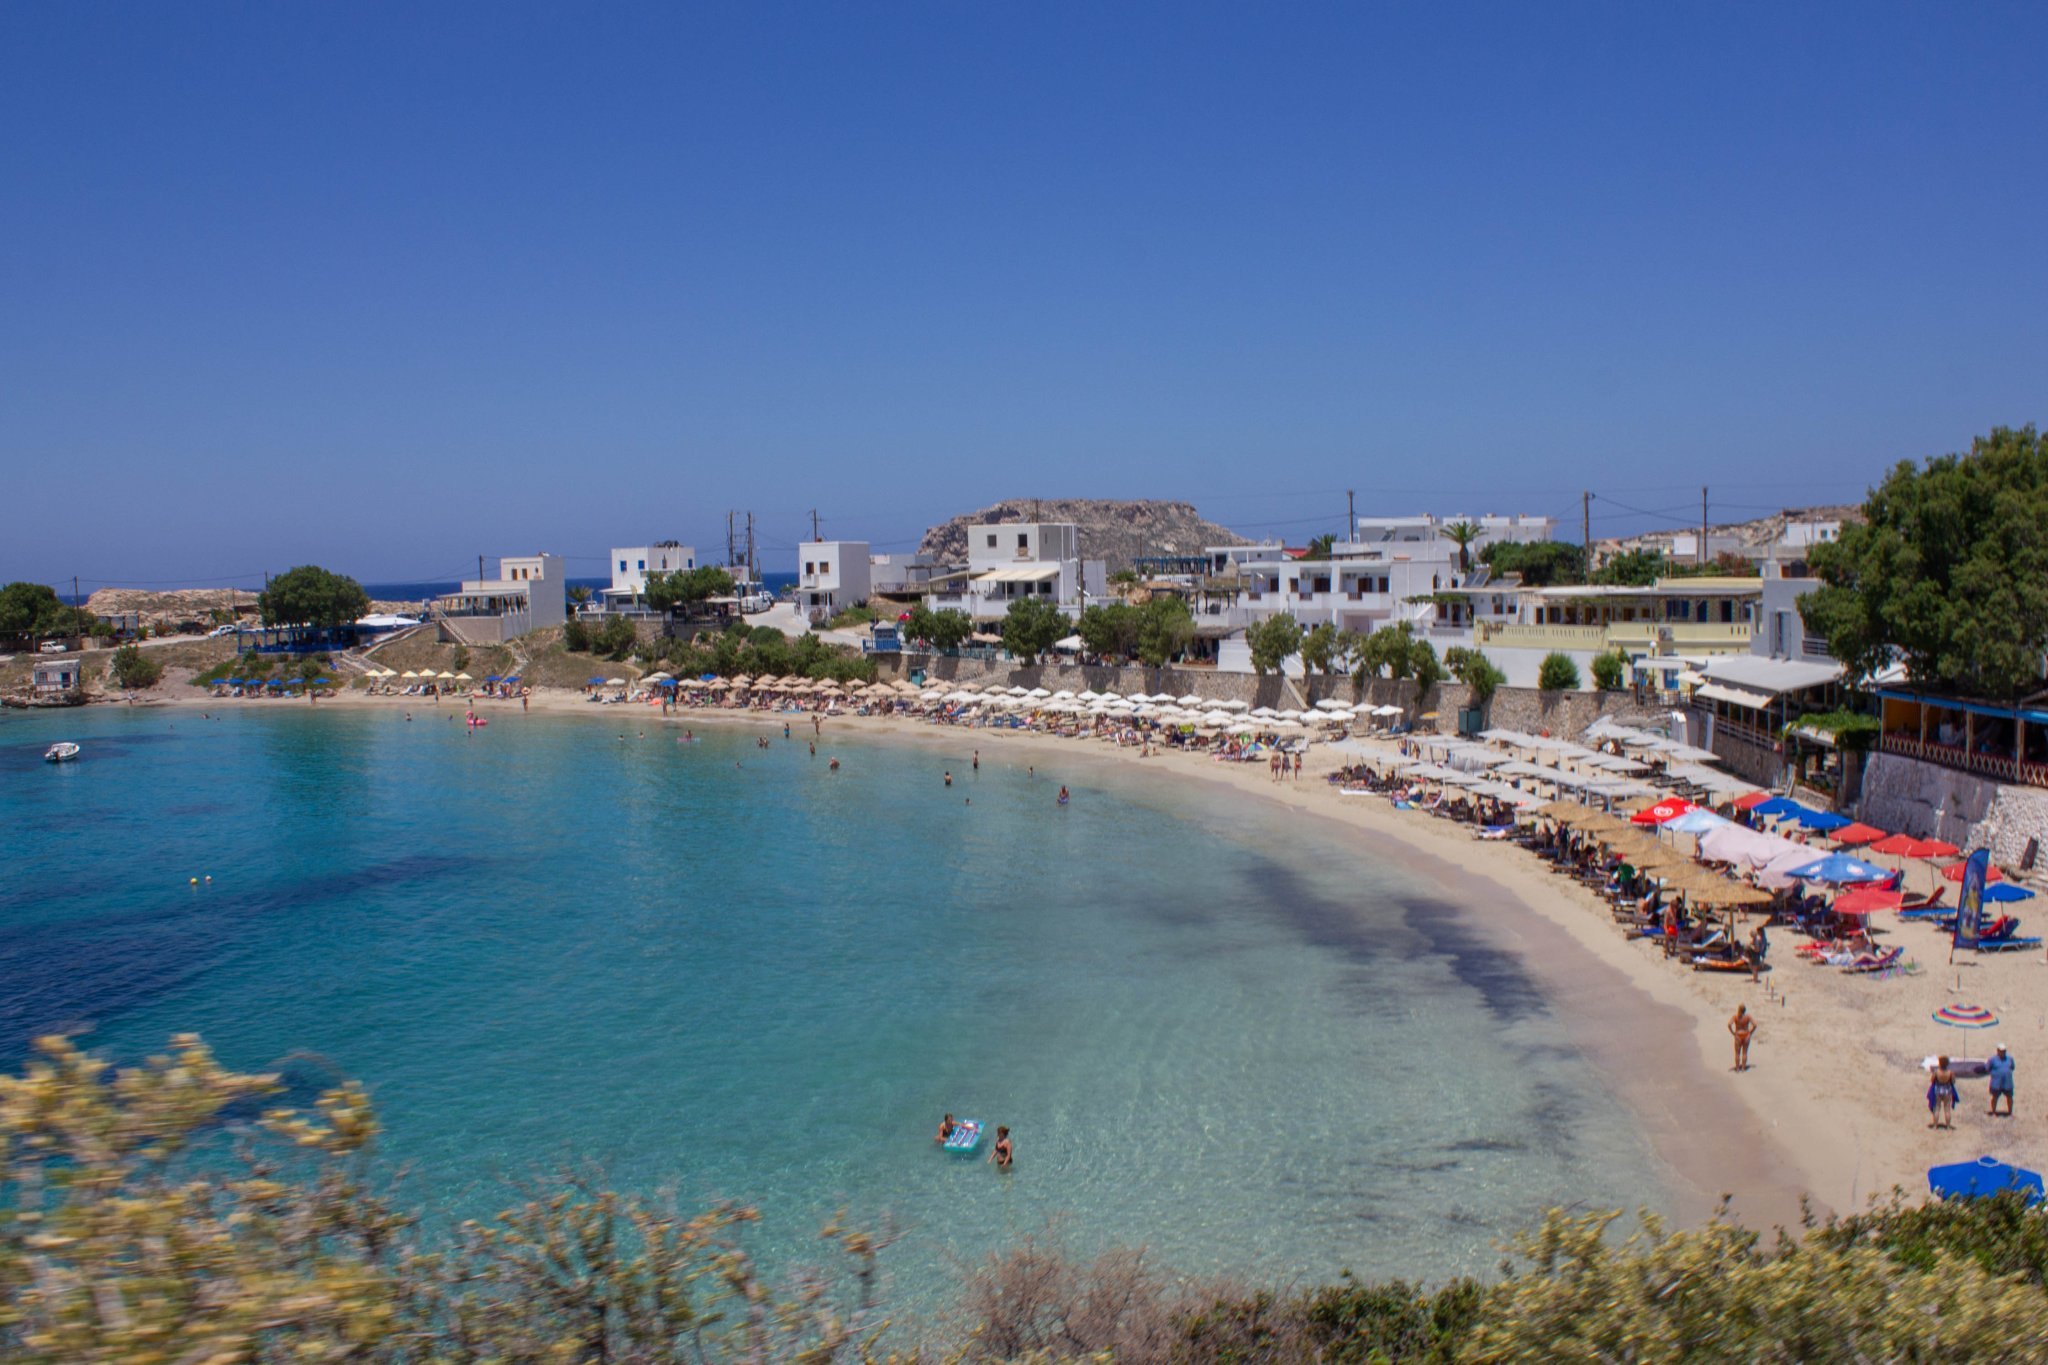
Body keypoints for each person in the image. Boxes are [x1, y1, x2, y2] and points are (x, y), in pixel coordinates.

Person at [1930, 1056, 1959, 1129]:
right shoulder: (1950, 1072)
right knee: (1947, 1109)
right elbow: (1953, 1081)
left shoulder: (1936, 1072)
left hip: (1938, 1090)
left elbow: (1932, 1080)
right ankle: (1948, 1126)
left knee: (1937, 1108)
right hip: (1947, 1091)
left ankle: (1935, 1125)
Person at [1728, 1004, 1758, 1071]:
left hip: (1738, 1035)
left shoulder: (1735, 1016)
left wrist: (1733, 1033)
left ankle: (1737, 1068)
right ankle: (1743, 1068)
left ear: (1738, 1009)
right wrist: (1750, 1033)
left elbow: (1729, 1024)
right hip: (1746, 1035)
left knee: (1737, 1053)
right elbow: (1755, 1025)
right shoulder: (1748, 1017)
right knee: (1745, 1052)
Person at [1989, 1044, 2016, 1117]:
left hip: (2007, 1082)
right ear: (1997, 1051)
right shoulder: (1992, 1060)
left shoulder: (2010, 1059)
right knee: (1995, 1097)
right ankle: (1993, 1111)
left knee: (2009, 1097)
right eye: (2001, 1051)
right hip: (1996, 1083)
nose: (2002, 1052)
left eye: (2004, 1051)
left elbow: (2012, 1067)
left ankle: (2010, 1112)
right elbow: (1988, 1068)